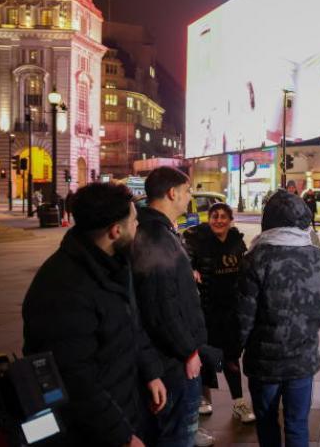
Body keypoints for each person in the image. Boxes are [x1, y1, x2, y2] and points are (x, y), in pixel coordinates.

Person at [22, 182, 166, 447]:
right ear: (115, 231)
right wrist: (121, 437)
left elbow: (131, 324)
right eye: (134, 221)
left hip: (124, 405)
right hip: (91, 432)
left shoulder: (113, 264)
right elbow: (76, 381)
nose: (138, 227)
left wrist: (151, 371)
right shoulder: (63, 289)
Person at [234, 190, 320, 447]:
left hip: (264, 363)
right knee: (298, 425)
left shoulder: (255, 259)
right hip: (303, 360)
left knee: (267, 425)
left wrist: (232, 350)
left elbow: (244, 317)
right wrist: (303, 331)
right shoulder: (319, 258)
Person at [132, 167, 213, 447]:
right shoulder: (156, 236)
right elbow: (159, 305)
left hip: (166, 358)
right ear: (172, 192)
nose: (189, 197)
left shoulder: (155, 230)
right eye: (188, 191)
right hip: (173, 363)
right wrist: (188, 350)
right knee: (177, 436)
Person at [182, 203, 256, 424]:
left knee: (232, 358)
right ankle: (203, 399)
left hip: (231, 310)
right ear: (209, 218)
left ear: (230, 219)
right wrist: (192, 271)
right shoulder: (197, 240)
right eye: (215, 216)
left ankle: (239, 402)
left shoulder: (236, 241)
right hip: (206, 309)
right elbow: (186, 259)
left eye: (224, 217)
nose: (219, 221)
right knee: (206, 356)